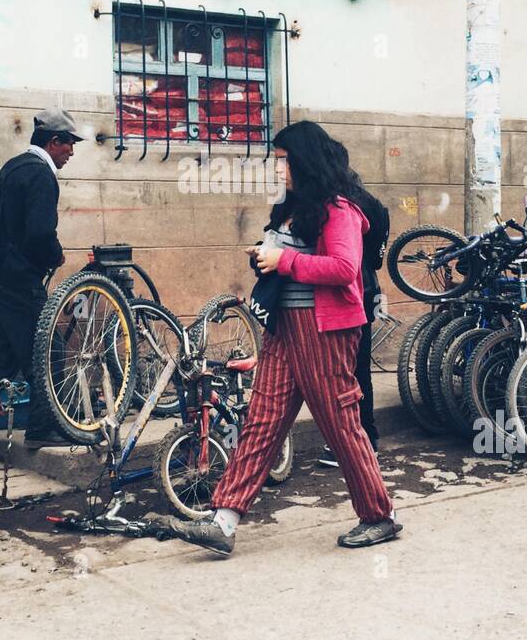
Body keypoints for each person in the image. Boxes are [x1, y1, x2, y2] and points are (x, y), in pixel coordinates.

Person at [166, 121, 401, 555]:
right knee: (262, 420)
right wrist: (265, 258)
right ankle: (224, 521)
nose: (276, 169)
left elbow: (344, 269)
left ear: (303, 161)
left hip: (326, 330)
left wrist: (285, 260)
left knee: (341, 425)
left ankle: (379, 516)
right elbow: (293, 258)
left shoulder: (340, 209)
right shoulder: (292, 208)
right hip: (285, 327)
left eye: (282, 161)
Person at [0, 107, 82, 448]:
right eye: (69, 145)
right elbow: (38, 233)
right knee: (48, 350)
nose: (71, 153)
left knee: (5, 356)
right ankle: (41, 430)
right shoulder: (40, 174)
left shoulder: (13, 167)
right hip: (15, 280)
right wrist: (55, 253)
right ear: (53, 141)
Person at [318, 149, 388, 466]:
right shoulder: (368, 201)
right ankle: (363, 438)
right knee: (357, 369)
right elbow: (376, 257)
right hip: (368, 287)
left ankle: (363, 440)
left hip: (350, 293)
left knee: (351, 371)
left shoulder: (337, 204)